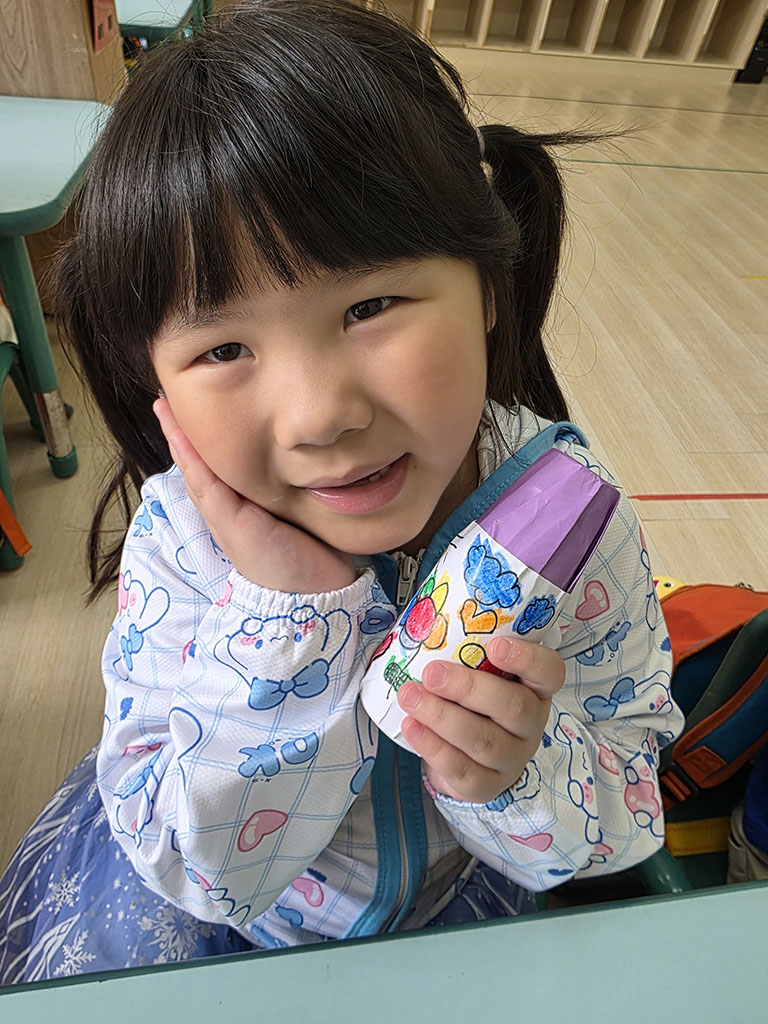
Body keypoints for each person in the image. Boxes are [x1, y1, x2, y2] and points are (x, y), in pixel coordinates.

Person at [0, 0, 683, 983]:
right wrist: (289, 616)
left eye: (370, 305)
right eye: (223, 349)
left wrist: (519, 772)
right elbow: (194, 870)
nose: (319, 415)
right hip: (219, 932)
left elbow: (628, 801)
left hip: (455, 912)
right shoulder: (182, 541)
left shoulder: (575, 525)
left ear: (489, 285)